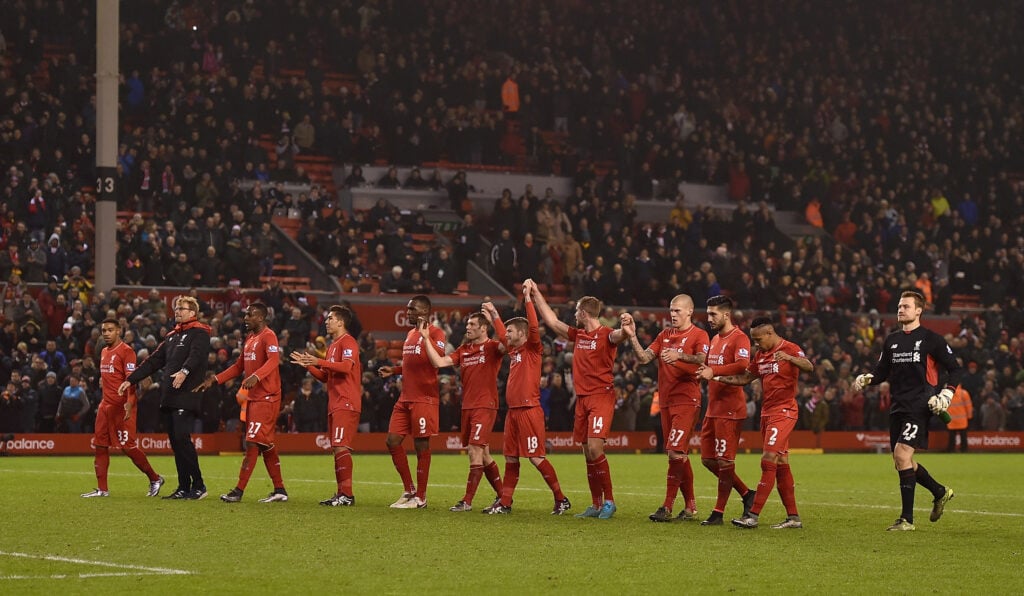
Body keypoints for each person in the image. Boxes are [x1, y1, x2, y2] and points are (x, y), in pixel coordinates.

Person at [851, 290, 960, 531]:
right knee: (903, 461)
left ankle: (907, 520)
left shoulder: (932, 339)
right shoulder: (891, 340)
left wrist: (947, 393)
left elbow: (955, 369)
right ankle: (940, 491)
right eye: (899, 306)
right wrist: (867, 378)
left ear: (919, 310)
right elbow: (881, 373)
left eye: (906, 306)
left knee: (902, 456)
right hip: (898, 405)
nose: (901, 310)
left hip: (920, 404)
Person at [531, 282, 626, 519]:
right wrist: (535, 293)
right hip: (583, 399)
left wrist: (627, 328)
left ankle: (610, 502)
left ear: (584, 313)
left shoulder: (605, 334)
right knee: (586, 451)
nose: (574, 315)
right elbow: (552, 322)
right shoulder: (579, 335)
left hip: (601, 396)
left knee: (595, 447)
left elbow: (619, 335)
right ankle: (595, 504)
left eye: (576, 311)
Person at [709, 317, 814, 529]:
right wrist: (716, 377)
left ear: (769, 333)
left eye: (758, 339)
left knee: (768, 459)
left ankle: (753, 514)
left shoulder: (790, 348)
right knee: (782, 463)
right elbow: (744, 378)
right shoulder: (760, 355)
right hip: (766, 413)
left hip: (784, 412)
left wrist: (789, 358)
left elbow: (809, 366)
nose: (756, 343)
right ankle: (793, 518)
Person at [482, 281, 571, 515]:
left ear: (521, 334)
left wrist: (529, 299)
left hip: (530, 410)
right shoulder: (515, 351)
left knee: (536, 457)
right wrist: (494, 315)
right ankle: (506, 503)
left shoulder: (533, 348)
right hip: (513, 412)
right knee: (511, 458)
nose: (507, 335)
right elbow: (501, 335)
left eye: (512, 331)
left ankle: (561, 499)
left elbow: (533, 326)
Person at [620, 294, 709, 522]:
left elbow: (702, 358)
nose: (673, 314)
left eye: (678, 310)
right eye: (671, 310)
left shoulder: (699, 335)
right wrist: (632, 336)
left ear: (690, 311)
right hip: (667, 402)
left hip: (687, 400)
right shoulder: (664, 335)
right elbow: (643, 358)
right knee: (680, 454)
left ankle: (667, 506)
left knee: (673, 452)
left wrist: (680, 355)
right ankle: (690, 507)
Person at [197, 302, 289, 503]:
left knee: (252, 442)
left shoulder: (268, 336)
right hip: (255, 398)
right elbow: (239, 366)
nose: (245, 318)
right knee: (266, 444)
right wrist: (216, 379)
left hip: (267, 397)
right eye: (246, 315)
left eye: (250, 315)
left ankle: (238, 490)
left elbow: (274, 360)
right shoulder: (250, 338)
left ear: (261, 317)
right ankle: (280, 489)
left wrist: (257, 376)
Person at [417, 304, 504, 512]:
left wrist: (495, 316)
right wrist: (425, 338)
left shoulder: (493, 347)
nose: (468, 327)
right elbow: (438, 362)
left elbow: (507, 343)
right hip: (468, 407)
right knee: (483, 455)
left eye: (472, 324)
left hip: (485, 405)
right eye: (467, 324)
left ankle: (467, 501)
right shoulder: (463, 350)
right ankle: (504, 497)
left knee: (474, 450)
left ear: (484, 328)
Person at [123, 295, 210, 500]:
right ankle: (183, 487)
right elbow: (154, 361)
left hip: (187, 394)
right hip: (170, 395)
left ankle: (199, 485)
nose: (178, 311)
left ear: (193, 313)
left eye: (182, 308)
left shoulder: (200, 332)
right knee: (175, 441)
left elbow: (196, 356)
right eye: (177, 308)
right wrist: (131, 379)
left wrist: (185, 371)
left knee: (182, 438)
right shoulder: (172, 336)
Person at [81, 318, 164, 498]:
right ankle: (102, 489)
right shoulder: (103, 351)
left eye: (110, 330)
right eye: (103, 330)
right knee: (100, 446)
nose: (106, 333)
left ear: (119, 331)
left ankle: (155, 478)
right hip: (105, 406)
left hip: (122, 406)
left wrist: (130, 402)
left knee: (128, 447)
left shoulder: (127, 352)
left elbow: (131, 380)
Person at [290, 304, 362, 506]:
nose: (327, 322)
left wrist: (318, 361)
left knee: (341, 446)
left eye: (330, 318)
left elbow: (346, 367)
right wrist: (310, 365)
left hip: (346, 401)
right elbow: (325, 377)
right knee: (337, 448)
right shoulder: (332, 346)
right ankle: (341, 494)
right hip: (335, 402)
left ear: (340, 322)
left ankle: (347, 495)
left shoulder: (348, 342)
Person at [379, 295, 446, 509]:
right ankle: (409, 490)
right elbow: (410, 364)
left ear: (425, 312)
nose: (407, 313)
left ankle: (421, 497)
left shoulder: (436, 333)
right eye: (407, 309)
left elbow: (439, 359)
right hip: (405, 397)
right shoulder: (409, 334)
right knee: (392, 441)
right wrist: (394, 370)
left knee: (421, 445)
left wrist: (427, 338)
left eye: (412, 309)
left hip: (424, 399)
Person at [695, 295, 756, 526]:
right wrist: (704, 371)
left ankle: (718, 512)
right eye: (708, 313)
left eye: (713, 314)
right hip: (713, 408)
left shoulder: (739, 338)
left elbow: (742, 365)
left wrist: (714, 370)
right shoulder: (715, 340)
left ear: (726, 314)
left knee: (724, 462)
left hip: (730, 410)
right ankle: (747, 494)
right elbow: (712, 370)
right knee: (708, 460)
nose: (709, 318)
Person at [944, 385, 972, 453]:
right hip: (962, 420)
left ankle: (951, 450)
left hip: (951, 420)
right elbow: (968, 406)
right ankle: (964, 450)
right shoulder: (964, 393)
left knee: (952, 437)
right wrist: (969, 417)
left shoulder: (946, 393)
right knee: (963, 436)